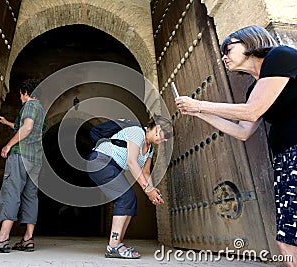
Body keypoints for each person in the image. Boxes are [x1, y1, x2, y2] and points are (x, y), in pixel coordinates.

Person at [175, 25, 297, 265]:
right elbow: (242, 131)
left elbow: (252, 112)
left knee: (290, 238)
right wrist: (196, 113)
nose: (224, 57)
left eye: (228, 49)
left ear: (249, 43)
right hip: (284, 160)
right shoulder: (254, 87)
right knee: (286, 239)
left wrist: (199, 105)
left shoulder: (280, 56)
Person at [0, 79, 45, 253]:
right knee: (30, 196)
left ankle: (2, 239)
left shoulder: (29, 105)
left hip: (20, 155)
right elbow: (30, 129)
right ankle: (28, 239)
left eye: (20, 95)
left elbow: (27, 128)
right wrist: (8, 123)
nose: (20, 98)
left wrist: (9, 145)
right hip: (35, 160)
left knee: (11, 192)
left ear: (25, 93)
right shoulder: (41, 109)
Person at [87, 114, 172, 259]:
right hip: (101, 161)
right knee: (126, 197)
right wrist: (148, 189)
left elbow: (145, 172)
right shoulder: (137, 132)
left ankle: (117, 243)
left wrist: (152, 193)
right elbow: (132, 162)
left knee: (129, 199)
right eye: (165, 136)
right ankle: (113, 246)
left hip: (110, 166)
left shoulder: (150, 148)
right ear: (157, 128)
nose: (164, 140)